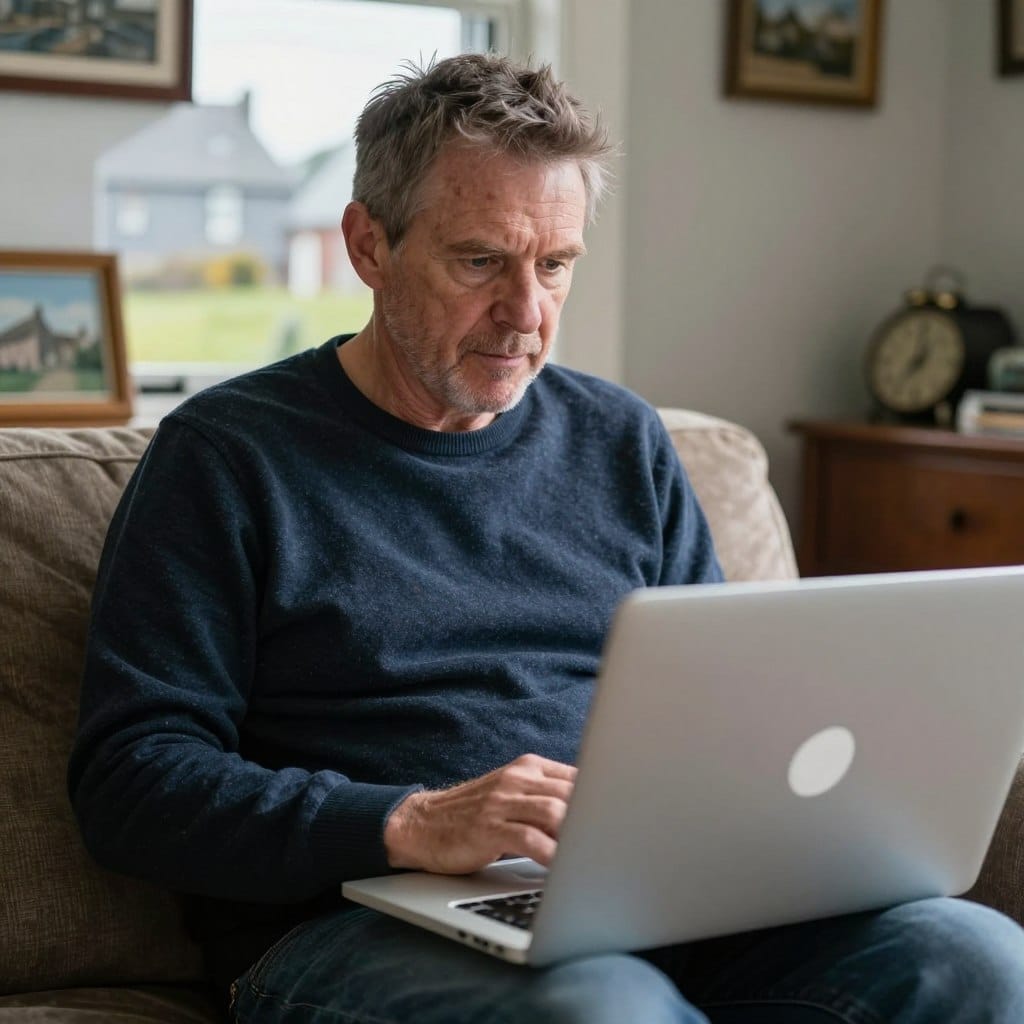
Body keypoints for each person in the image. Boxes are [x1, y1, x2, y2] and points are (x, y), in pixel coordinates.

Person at [69, 53, 1024, 1024]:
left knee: (975, 956)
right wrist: (410, 820)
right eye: (480, 260)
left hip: (637, 901)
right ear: (368, 245)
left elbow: (727, 720)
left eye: (554, 264)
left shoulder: (623, 442)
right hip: (348, 926)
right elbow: (132, 780)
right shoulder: (226, 457)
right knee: (604, 1009)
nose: (525, 314)